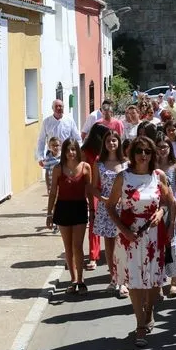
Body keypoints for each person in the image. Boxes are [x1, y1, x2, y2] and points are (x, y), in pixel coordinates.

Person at [107, 136, 175, 347]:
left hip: (154, 237)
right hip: (130, 236)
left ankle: (150, 309)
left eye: (147, 151)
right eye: (139, 151)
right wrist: (124, 230)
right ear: (132, 154)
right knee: (135, 281)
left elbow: (169, 201)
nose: (143, 155)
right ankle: (140, 325)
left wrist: (161, 212)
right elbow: (110, 206)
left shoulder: (158, 176)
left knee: (154, 282)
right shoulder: (123, 177)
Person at [48, 138, 93, 295]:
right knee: (68, 247)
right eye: (68, 150)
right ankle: (73, 280)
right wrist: (49, 213)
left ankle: (81, 281)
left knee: (78, 246)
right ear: (64, 152)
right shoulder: (58, 169)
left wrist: (92, 211)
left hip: (80, 207)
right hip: (63, 208)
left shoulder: (86, 167)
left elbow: (89, 191)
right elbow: (53, 191)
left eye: (73, 149)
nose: (71, 153)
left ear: (78, 151)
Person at [89, 129, 128, 298]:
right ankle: (113, 278)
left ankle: (124, 281)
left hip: (123, 209)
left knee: (123, 245)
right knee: (110, 246)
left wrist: (123, 199)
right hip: (106, 209)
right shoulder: (99, 164)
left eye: (114, 140)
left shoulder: (126, 163)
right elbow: (92, 187)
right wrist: (103, 199)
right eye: (108, 141)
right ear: (104, 144)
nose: (111, 143)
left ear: (118, 142)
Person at [154, 132, 176, 298]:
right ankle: (159, 282)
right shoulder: (152, 167)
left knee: (173, 247)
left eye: (165, 146)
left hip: (172, 211)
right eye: (159, 147)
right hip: (156, 211)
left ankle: (174, 282)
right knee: (158, 248)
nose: (162, 150)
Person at [82, 123, 111, 271]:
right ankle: (93, 256)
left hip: (107, 187)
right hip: (93, 188)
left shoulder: (107, 150)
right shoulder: (86, 151)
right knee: (93, 222)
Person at [42, 136, 62, 234]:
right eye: (53, 145)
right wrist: (47, 185)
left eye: (57, 145)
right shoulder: (48, 159)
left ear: (60, 145)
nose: (55, 147)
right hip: (52, 185)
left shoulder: (63, 157)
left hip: (61, 185)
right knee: (54, 204)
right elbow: (46, 173)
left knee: (60, 204)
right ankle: (56, 224)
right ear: (49, 146)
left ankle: (60, 223)